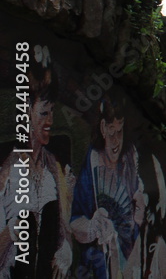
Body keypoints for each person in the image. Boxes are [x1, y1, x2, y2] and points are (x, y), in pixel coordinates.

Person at [0, 48, 75, 279]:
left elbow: (65, 231)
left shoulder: (56, 170)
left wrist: (66, 250)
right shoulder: (7, 173)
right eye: (43, 113)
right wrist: (10, 233)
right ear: (26, 112)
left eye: (52, 112)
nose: (50, 121)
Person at [70, 92, 144, 279]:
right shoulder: (92, 161)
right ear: (103, 128)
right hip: (98, 261)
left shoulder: (130, 156)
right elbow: (75, 221)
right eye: (111, 131)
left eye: (120, 131)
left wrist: (141, 211)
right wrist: (93, 226)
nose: (116, 140)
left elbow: (140, 206)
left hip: (132, 259)